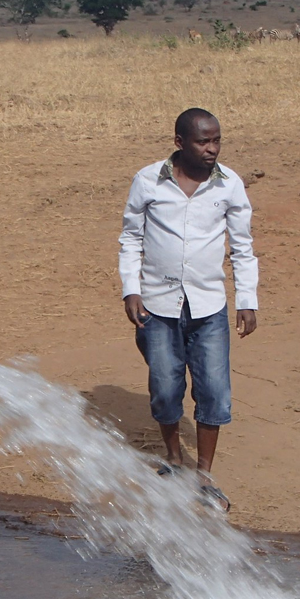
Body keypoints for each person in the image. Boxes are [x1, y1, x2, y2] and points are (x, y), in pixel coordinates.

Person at [118, 108, 258, 511]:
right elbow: (130, 238)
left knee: (214, 391)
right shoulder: (148, 181)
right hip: (157, 305)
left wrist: (247, 299)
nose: (211, 149)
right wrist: (131, 290)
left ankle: (205, 476)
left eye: (216, 140)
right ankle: (174, 459)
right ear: (180, 143)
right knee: (165, 388)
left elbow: (243, 247)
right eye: (203, 141)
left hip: (209, 304)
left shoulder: (229, 185)